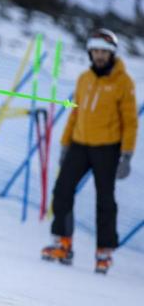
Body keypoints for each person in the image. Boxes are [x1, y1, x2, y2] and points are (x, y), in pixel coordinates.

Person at [41, 28, 138, 274]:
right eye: (95, 51)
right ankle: (62, 243)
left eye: (104, 52)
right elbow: (75, 113)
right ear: (90, 53)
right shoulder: (84, 78)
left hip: (107, 148)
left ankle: (104, 252)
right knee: (62, 190)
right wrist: (65, 143)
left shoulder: (123, 82)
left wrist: (127, 155)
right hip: (79, 144)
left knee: (105, 199)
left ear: (111, 54)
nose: (99, 56)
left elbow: (130, 121)